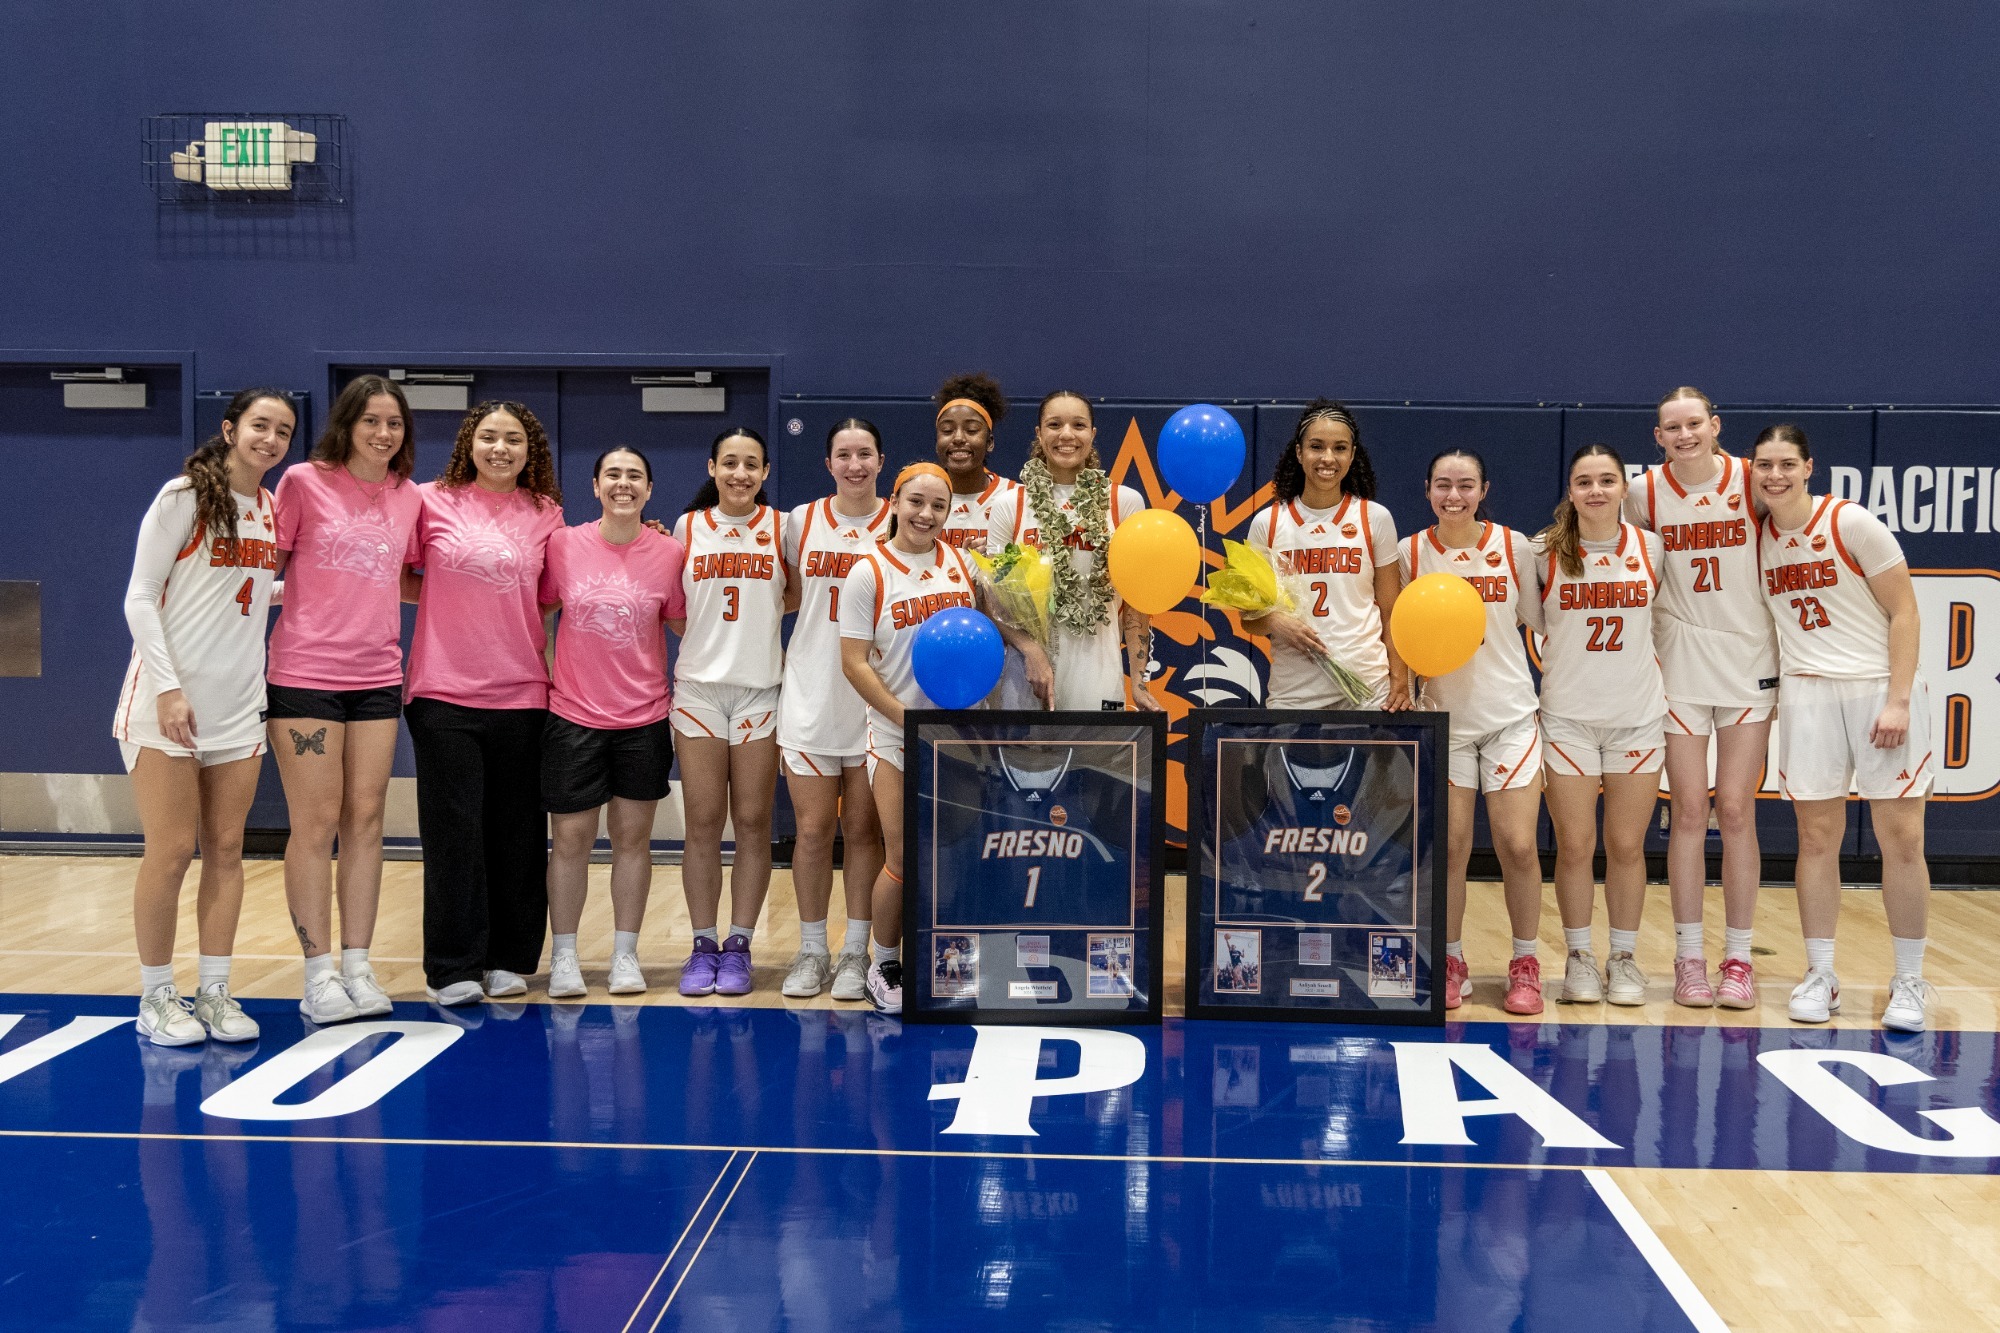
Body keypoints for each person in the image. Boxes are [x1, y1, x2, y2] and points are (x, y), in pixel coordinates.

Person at [116, 388, 296, 1045]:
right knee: (170, 851)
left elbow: (243, 591)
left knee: (225, 849)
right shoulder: (182, 496)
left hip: (237, 707)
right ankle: (157, 994)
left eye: (282, 430)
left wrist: (315, 590)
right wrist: (166, 688)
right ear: (230, 428)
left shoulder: (271, 509)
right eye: (259, 425)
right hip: (167, 707)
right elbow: (140, 596)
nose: (271, 439)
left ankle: (214, 991)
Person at [1753, 425, 1936, 1031]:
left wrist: (1899, 699)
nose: (1774, 475)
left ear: (1809, 467)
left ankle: (1910, 979)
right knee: (1816, 838)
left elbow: (1905, 610)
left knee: (1902, 838)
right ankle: (1821, 973)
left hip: (1875, 689)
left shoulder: (1851, 523)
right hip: (1806, 691)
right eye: (1764, 465)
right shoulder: (1759, 535)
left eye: (1786, 464)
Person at [265, 375, 420, 1025]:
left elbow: (408, 577)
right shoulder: (302, 481)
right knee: (316, 819)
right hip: (305, 674)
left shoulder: (409, 496)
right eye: (372, 421)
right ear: (347, 422)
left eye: (394, 423)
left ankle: (358, 964)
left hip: (378, 675)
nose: (384, 432)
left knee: (365, 818)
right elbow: (259, 559)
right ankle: (318, 973)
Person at [404, 401, 565, 1007]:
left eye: (515, 440)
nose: (501, 449)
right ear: (469, 443)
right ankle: (453, 965)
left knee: (518, 833)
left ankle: (508, 957)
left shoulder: (545, 513)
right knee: (454, 833)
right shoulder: (430, 500)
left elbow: (550, 594)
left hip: (523, 691)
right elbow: (396, 573)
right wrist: (448, 595)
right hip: (442, 691)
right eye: (490, 437)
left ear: (531, 451)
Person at [1627, 387, 1779, 1010]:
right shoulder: (1642, 493)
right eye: (1673, 427)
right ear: (1657, 436)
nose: (1685, 434)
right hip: (1680, 664)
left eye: (1695, 424)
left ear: (1715, 426)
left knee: (1737, 812)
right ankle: (1690, 956)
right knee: (1689, 813)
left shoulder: (1754, 480)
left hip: (1748, 661)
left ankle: (1738, 958)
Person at [1401, 449, 1547, 1014]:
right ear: (1428, 490)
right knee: (1452, 848)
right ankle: (1452, 958)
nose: (1454, 496)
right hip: (1445, 723)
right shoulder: (1410, 553)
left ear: (1484, 489)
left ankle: (1526, 961)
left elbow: (1538, 623)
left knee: (1516, 845)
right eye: (1443, 485)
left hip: (1509, 718)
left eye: (1465, 485)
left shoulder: (1515, 548)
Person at [539, 447, 686, 999]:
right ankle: (566, 958)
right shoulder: (563, 545)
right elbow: (537, 608)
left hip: (643, 718)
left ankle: (626, 955)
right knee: (571, 838)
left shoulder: (670, 552)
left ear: (649, 490)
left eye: (635, 477)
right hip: (573, 715)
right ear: (595, 486)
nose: (623, 485)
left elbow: (679, 623)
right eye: (613, 476)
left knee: (633, 838)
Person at [840, 462, 980, 1013]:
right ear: (894, 502)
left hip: (955, 734)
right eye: (916, 502)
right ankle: (883, 964)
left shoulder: (963, 564)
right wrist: (904, 718)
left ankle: (950, 956)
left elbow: (988, 637)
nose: (926, 514)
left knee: (957, 850)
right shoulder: (869, 572)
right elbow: (853, 664)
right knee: (900, 853)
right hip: (896, 734)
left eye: (938, 506)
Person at [1534, 444, 1667, 1006]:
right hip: (1568, 719)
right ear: (1571, 491)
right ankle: (1580, 957)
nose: (1595, 491)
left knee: (1626, 846)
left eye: (1606, 480)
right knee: (1574, 846)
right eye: (1584, 481)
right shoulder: (1542, 553)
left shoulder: (1652, 548)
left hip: (1636, 718)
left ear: (1623, 488)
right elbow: (1531, 620)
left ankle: (1625, 958)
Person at [671, 427, 790, 997]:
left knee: (752, 823)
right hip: (698, 690)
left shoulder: (782, 527)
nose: (740, 474)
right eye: (730, 464)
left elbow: (792, 596)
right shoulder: (687, 527)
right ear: (712, 468)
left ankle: (739, 945)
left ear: (765, 473)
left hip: (759, 691)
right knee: (701, 822)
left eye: (752, 465)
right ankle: (701, 946)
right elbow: (676, 608)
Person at [777, 419, 889, 1000]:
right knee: (813, 831)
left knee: (864, 832)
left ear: (880, 460)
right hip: (811, 693)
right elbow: (785, 589)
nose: (854, 465)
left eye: (864, 454)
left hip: (872, 697)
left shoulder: (899, 518)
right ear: (827, 464)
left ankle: (856, 953)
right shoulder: (800, 520)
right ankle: (813, 949)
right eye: (843, 454)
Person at [987, 391, 1162, 712]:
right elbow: (996, 600)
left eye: (1078, 425)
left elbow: (1137, 602)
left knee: (1093, 762)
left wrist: (1138, 683)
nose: (1066, 434)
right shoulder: (1009, 506)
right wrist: (1031, 651)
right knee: (1025, 763)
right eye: (1054, 425)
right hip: (1027, 678)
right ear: (1039, 434)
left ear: (1092, 434)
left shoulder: (1124, 503)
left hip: (1098, 677)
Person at [1242, 400, 1411, 711]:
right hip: (1294, 690)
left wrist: (1400, 679)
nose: (1328, 458)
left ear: (1352, 454)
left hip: (1367, 690)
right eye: (1316, 446)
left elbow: (1391, 611)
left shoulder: (1374, 518)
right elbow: (1248, 619)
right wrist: (1277, 622)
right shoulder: (1268, 523)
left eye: (1340, 448)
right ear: (1299, 452)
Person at [933, 372, 1019, 553]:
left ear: (990, 442)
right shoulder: (919, 497)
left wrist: (1001, 553)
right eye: (947, 430)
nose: (958, 438)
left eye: (971, 430)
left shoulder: (1015, 496)